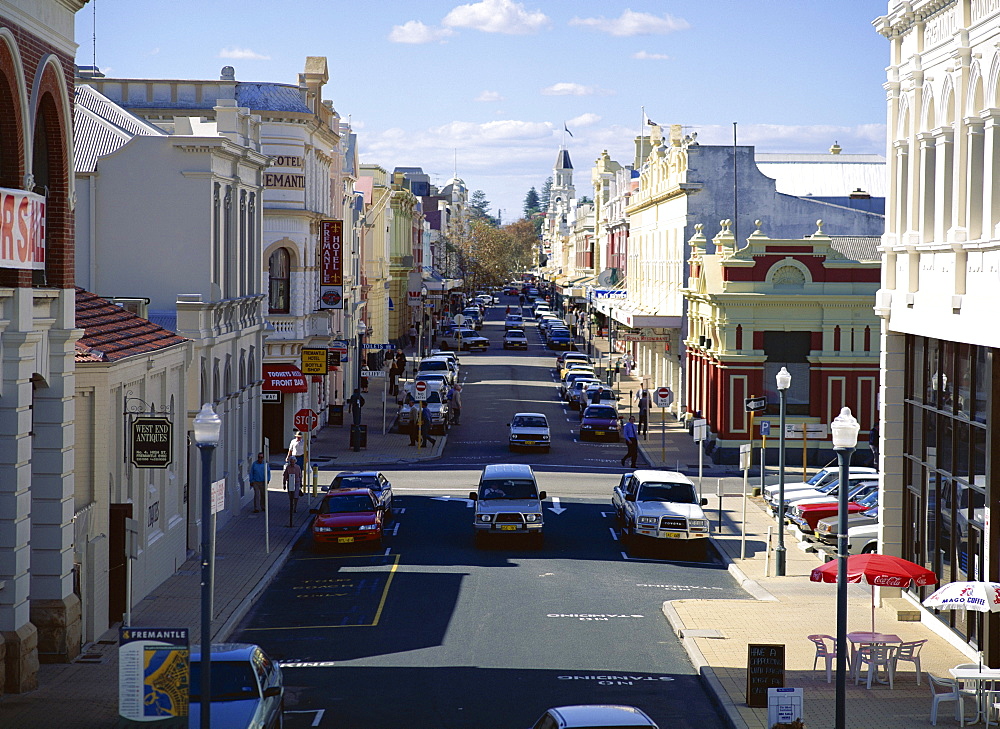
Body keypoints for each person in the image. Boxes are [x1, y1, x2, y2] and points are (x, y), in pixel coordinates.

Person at [282, 457, 303, 526]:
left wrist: (301, 483)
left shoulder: (298, 467)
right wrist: (284, 484)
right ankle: (292, 505)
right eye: (291, 461)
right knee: (290, 495)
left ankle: (295, 507)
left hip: (296, 482)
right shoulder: (288, 468)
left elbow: (300, 475)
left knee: (296, 495)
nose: (292, 463)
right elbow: (285, 476)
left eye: (293, 461)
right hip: (290, 482)